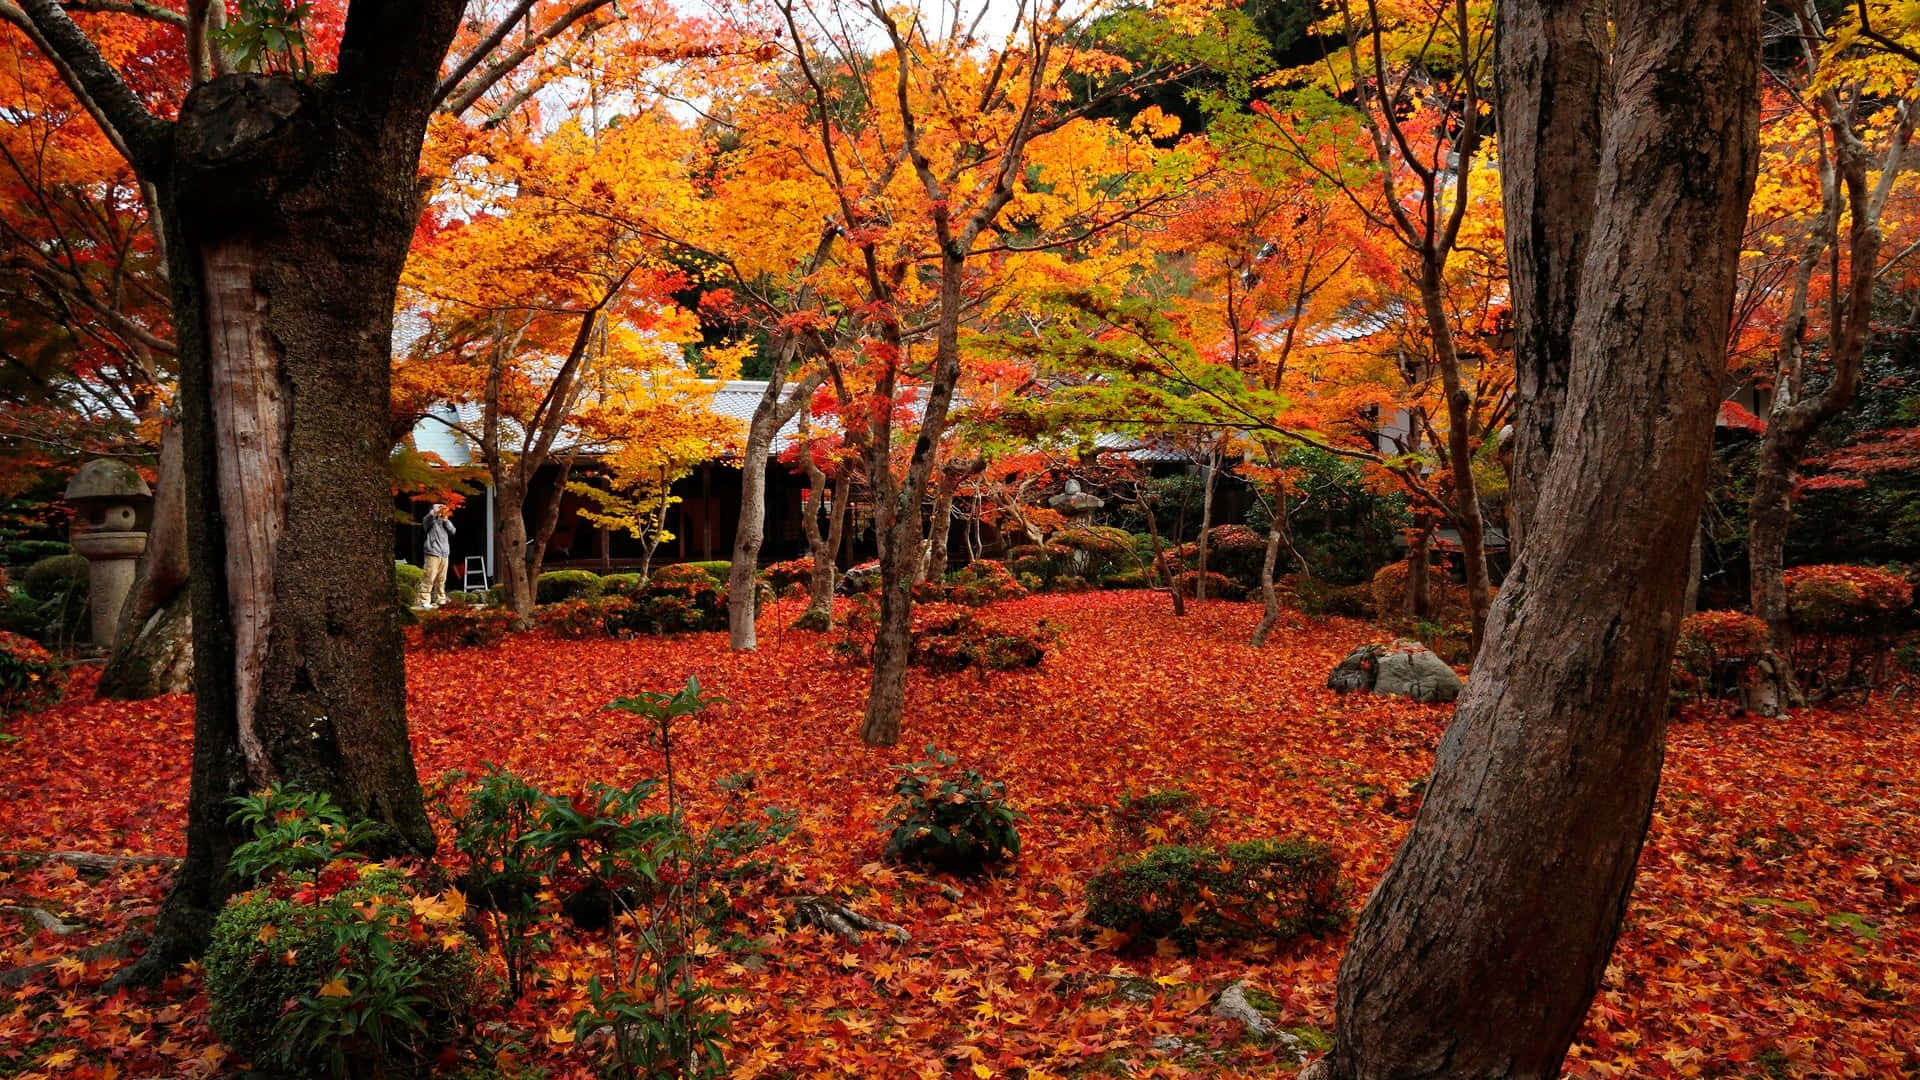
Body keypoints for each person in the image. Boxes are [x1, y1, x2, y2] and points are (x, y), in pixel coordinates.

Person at [416, 502, 455, 608]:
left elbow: (453, 531)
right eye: (439, 507)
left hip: (444, 553)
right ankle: (424, 600)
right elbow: (426, 521)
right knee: (429, 577)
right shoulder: (429, 520)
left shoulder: (444, 521)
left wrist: (446, 519)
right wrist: (434, 512)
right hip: (433, 552)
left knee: (441, 579)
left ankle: (440, 599)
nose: (441, 509)